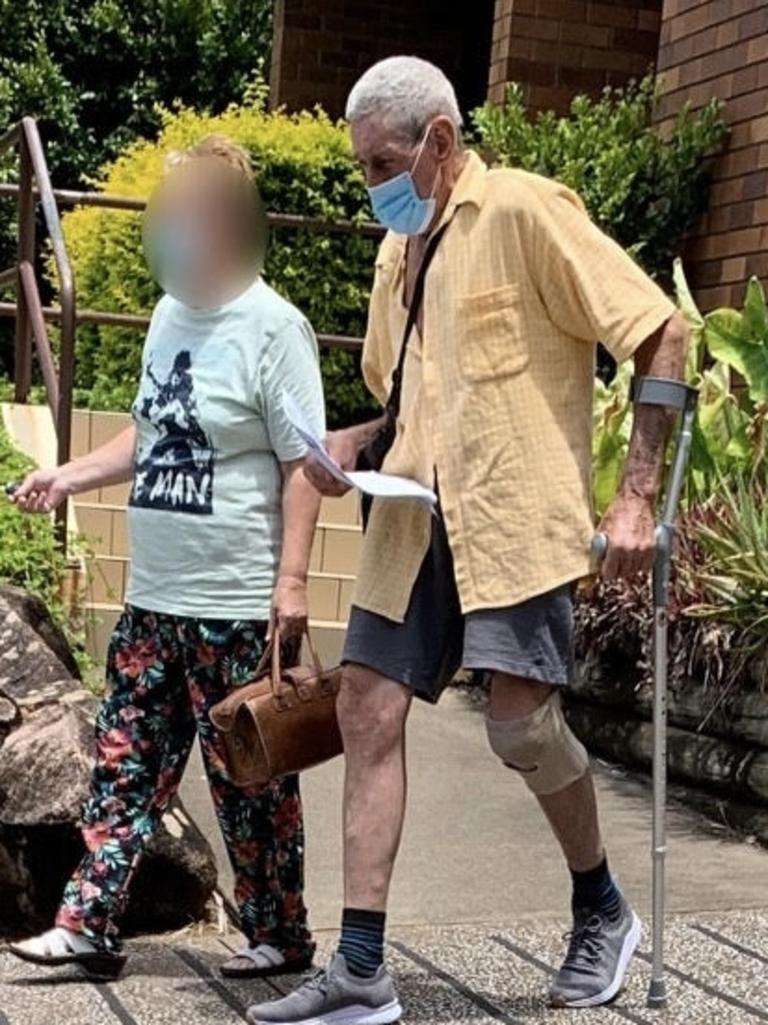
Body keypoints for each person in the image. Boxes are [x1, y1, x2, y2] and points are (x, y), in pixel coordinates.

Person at [246, 57, 688, 1024]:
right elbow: (402, 397)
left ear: (440, 143)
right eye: (362, 168)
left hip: (509, 513)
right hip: (409, 513)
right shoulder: (396, 254)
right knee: (366, 708)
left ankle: (602, 908)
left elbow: (661, 334)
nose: (372, 188)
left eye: (382, 164)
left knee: (520, 725)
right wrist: (345, 447)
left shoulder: (526, 213)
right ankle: (361, 966)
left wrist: (636, 496)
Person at [8, 135, 325, 982]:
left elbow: (306, 460)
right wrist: (68, 474)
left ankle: (280, 935)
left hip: (232, 598)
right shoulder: (166, 316)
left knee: (248, 783)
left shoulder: (275, 325)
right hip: (156, 595)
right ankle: (88, 923)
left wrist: (290, 583)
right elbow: (152, 434)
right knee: (123, 766)